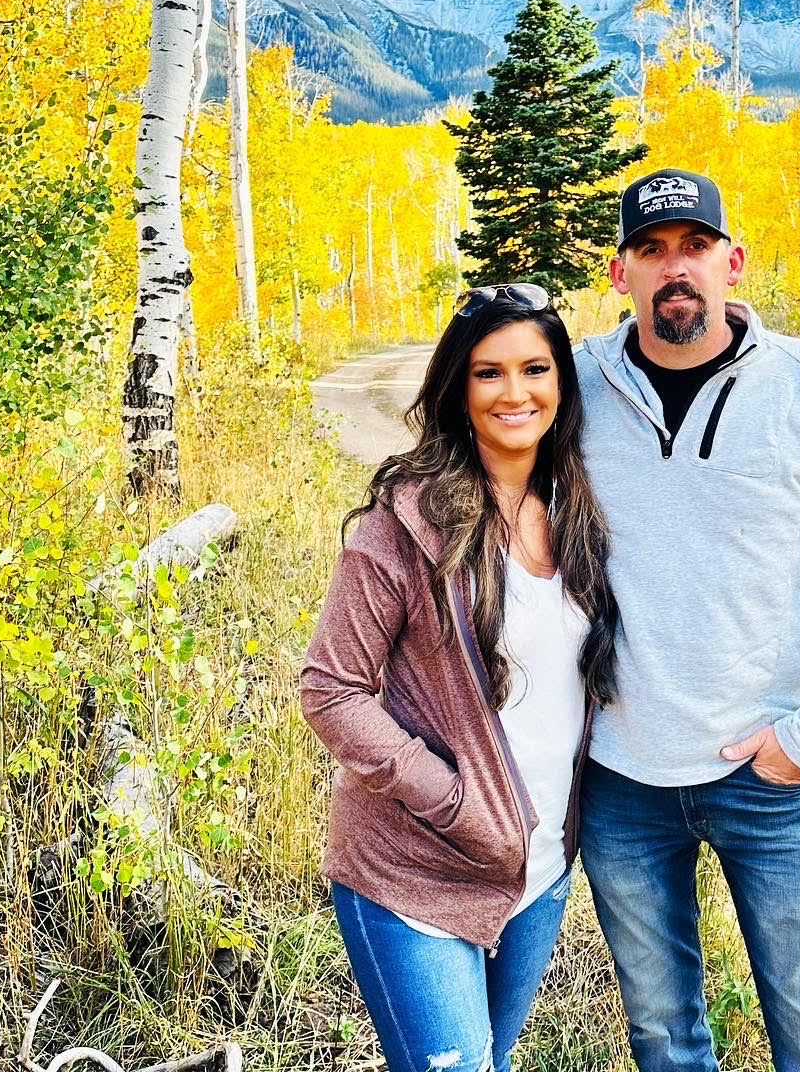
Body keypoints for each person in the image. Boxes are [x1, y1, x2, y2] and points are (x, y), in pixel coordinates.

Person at [574, 168, 800, 1072]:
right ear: (621, 274)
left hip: (771, 780)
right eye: (650, 251)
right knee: (662, 1035)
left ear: (734, 262)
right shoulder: (575, 388)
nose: (673, 268)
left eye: (693, 246)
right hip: (621, 778)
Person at [299, 282, 619, 1072]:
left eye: (536, 369)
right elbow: (330, 688)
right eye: (489, 373)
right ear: (458, 388)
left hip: (538, 872)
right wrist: (447, 795)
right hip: (416, 870)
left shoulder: (579, 506)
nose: (516, 392)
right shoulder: (405, 524)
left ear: (561, 385)